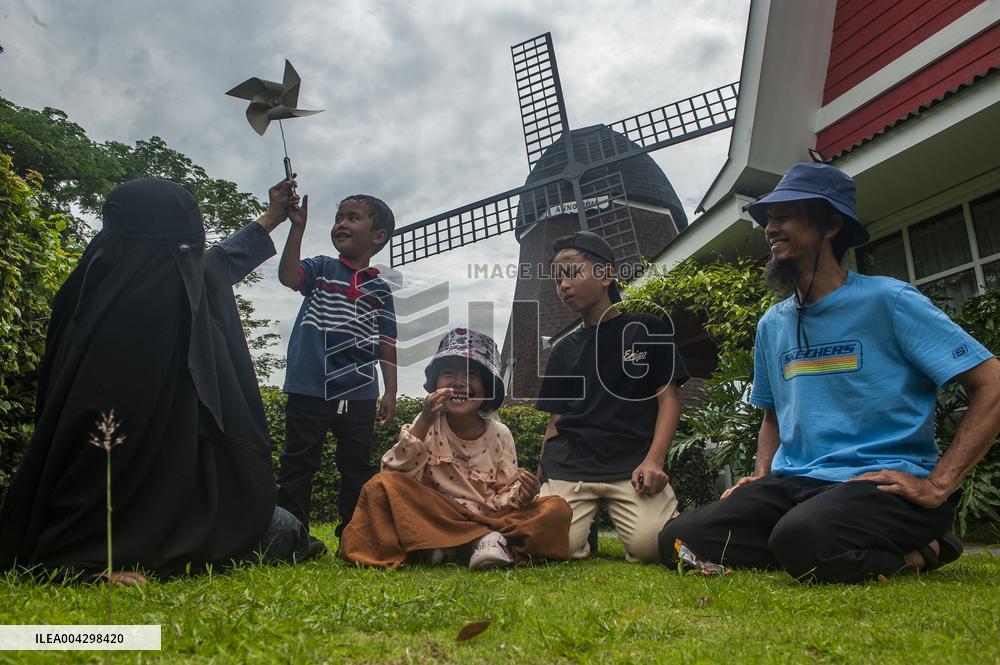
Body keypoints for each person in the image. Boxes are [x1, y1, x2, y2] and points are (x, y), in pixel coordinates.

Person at [659, 162, 1000, 583]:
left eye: (785, 216)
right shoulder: (773, 324)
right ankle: (814, 546)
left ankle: (928, 547)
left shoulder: (888, 301)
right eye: (768, 218)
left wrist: (938, 485)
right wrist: (762, 475)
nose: (771, 228)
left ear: (831, 224)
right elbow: (772, 413)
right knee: (678, 541)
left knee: (802, 536)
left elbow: (992, 383)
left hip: (878, 485)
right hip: (794, 487)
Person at [0, 177, 314, 580]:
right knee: (286, 530)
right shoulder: (159, 300)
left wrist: (273, 217)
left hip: (141, 507)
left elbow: (216, 263)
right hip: (142, 520)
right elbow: (213, 266)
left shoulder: (88, 290)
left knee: (283, 525)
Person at [339, 328, 572, 569]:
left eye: (471, 375)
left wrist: (522, 494)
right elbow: (395, 475)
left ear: (487, 388)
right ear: (435, 384)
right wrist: (424, 421)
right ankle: (479, 543)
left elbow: (502, 494)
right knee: (380, 485)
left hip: (487, 516)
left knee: (555, 508)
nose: (459, 382)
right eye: (449, 373)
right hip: (436, 514)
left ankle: (455, 544)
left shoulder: (500, 434)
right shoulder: (427, 423)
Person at [536, 232, 689, 563]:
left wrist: (654, 460)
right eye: (557, 278)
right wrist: (539, 479)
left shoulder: (645, 329)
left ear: (606, 275)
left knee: (653, 546)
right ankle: (578, 523)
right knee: (549, 544)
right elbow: (556, 421)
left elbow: (668, 399)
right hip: (572, 464)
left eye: (572, 272)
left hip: (630, 465)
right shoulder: (563, 350)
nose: (563, 285)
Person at [275, 192, 398, 548]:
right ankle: (290, 536)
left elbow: (386, 342)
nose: (341, 223)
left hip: (360, 391)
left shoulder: (380, 289)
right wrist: (296, 228)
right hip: (310, 385)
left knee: (357, 467)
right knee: (298, 462)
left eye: (353, 217)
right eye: (339, 217)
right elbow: (288, 277)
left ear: (378, 237)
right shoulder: (321, 268)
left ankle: (354, 535)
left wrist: (389, 391)